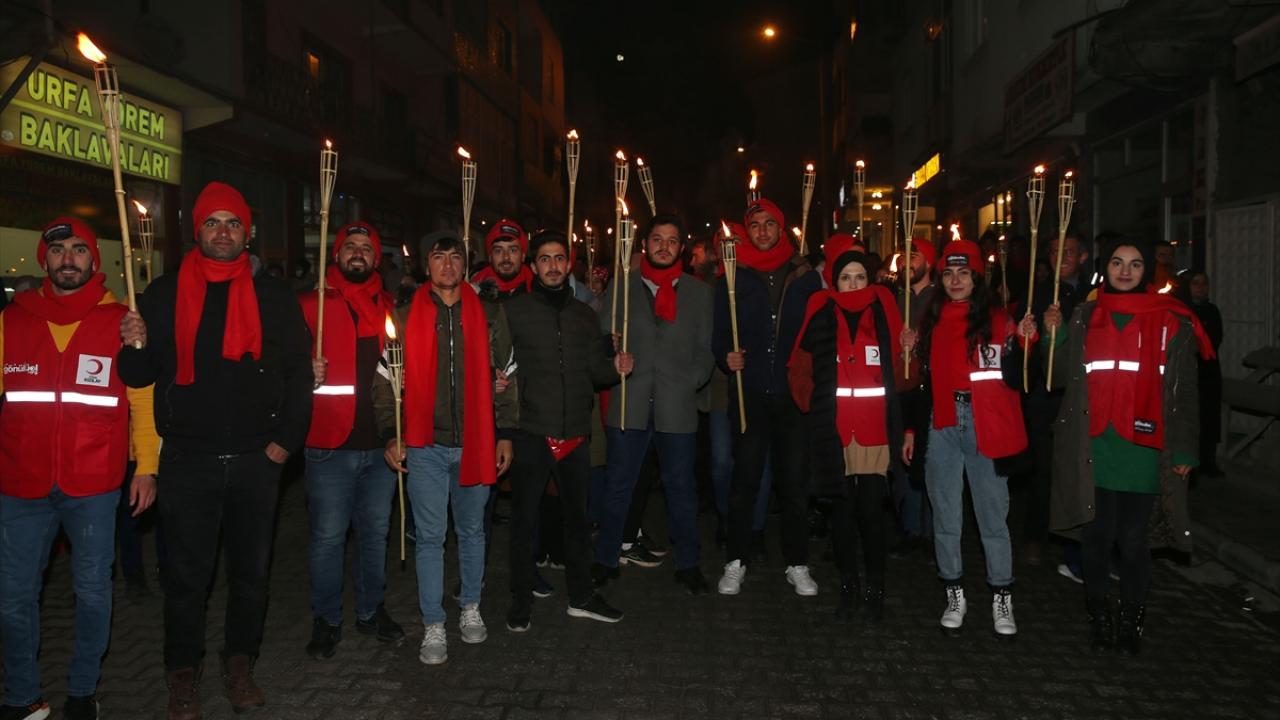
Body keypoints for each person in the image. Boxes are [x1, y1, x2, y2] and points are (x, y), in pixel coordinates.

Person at [118, 182, 313, 719]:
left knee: (251, 575)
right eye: (212, 222)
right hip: (188, 463)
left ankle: (239, 665)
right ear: (197, 231)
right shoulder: (162, 294)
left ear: (246, 232)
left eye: (232, 223)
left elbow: (299, 372)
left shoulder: (273, 296)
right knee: (186, 579)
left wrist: (285, 443)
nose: (222, 232)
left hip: (257, 462)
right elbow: (138, 374)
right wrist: (132, 341)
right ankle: (183, 676)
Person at [0, 217, 159, 720]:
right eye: (58, 251)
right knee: (12, 596)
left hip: (92, 483)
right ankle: (22, 695)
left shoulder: (122, 321)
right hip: (19, 483)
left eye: (79, 251)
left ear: (95, 260)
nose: (68, 259)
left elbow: (142, 401)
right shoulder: (11, 320)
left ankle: (84, 689)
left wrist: (147, 467)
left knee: (92, 591)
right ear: (43, 260)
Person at [1044, 237, 1212, 655]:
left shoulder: (1173, 319)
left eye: (1135, 264)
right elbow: (1060, 376)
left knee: (1134, 541)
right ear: (1106, 268)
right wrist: (1054, 335)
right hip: (1095, 446)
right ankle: (1099, 616)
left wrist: (1186, 450)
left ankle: (1131, 620)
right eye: (1117, 263)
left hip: (1144, 446)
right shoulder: (1085, 314)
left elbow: (1187, 390)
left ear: (1146, 272)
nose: (1125, 271)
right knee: (1097, 538)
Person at [377, 235, 517, 664]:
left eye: (455, 257)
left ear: (465, 265)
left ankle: (470, 607)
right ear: (426, 265)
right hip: (425, 445)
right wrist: (390, 432)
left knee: (473, 531)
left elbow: (509, 374)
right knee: (431, 538)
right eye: (438, 257)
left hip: (476, 441)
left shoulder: (490, 312)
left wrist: (505, 431)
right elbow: (384, 382)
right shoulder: (402, 314)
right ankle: (433, 623)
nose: (447, 265)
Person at [502, 230, 633, 631]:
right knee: (525, 521)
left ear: (569, 263)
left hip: (575, 431)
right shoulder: (516, 310)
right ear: (533, 265)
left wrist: (616, 367)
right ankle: (521, 599)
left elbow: (595, 372)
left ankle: (581, 595)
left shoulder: (585, 315)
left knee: (576, 521)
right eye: (545, 259)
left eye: (559, 258)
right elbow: (502, 367)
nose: (553, 266)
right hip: (531, 430)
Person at [901, 238, 1031, 638]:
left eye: (963, 273)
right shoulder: (931, 320)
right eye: (949, 273)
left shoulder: (997, 319)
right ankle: (954, 591)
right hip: (941, 424)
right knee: (946, 516)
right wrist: (909, 348)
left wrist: (1027, 336)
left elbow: (1022, 368)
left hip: (984, 424)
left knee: (993, 517)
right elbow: (918, 383)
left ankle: (1001, 595)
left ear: (977, 277)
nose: (955, 280)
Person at [594, 214, 715, 594]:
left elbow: (706, 348)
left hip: (676, 404)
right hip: (630, 400)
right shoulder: (623, 286)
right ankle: (605, 557)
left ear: (682, 247)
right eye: (657, 239)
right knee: (618, 485)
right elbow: (602, 339)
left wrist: (691, 381)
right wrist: (612, 355)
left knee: (681, 487)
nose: (664, 246)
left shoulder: (698, 292)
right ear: (644, 244)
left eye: (672, 240)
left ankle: (688, 563)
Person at [299, 222, 403, 661]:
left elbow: (399, 372)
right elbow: (279, 366)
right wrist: (304, 369)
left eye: (366, 248)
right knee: (327, 537)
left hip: (380, 446)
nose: (358, 254)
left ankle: (369, 609)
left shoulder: (389, 307)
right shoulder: (310, 305)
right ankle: (326, 618)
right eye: (350, 248)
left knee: (375, 534)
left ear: (376, 259)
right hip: (328, 443)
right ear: (336, 254)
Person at [789, 238, 904, 625]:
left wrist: (908, 351)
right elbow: (799, 367)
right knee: (841, 515)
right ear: (834, 283)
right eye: (845, 278)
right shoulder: (821, 313)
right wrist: (811, 404)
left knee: (871, 513)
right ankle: (848, 587)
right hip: (834, 432)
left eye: (859, 277)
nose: (853, 284)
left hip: (874, 433)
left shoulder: (884, 313)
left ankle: (875, 591)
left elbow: (904, 374)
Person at [713, 198, 822, 596]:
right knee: (745, 480)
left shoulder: (805, 275)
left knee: (793, 483)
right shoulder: (732, 275)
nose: (762, 231)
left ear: (782, 229)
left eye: (769, 224)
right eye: (755, 225)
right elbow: (720, 334)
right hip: (751, 394)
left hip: (793, 396)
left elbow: (818, 330)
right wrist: (727, 356)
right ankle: (736, 559)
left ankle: (797, 562)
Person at [1021, 234, 1092, 570]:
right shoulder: (1037, 293)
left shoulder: (1092, 296)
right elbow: (1025, 348)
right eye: (1053, 250)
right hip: (1043, 395)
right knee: (1043, 468)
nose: (1060, 256)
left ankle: (1075, 543)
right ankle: (1035, 536)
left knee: (1076, 470)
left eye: (1068, 251)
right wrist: (1030, 335)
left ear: (1082, 257)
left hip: (1078, 394)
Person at [890, 238, 936, 560]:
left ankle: (934, 533)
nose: (907, 261)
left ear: (928, 263)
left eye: (914, 255)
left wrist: (920, 345)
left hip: (929, 391)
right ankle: (910, 529)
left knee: (930, 460)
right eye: (904, 256)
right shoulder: (893, 298)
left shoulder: (940, 299)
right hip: (899, 389)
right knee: (903, 461)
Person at [1179, 269, 1224, 477]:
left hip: (1208, 373)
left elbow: (1213, 340)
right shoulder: (1181, 311)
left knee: (1209, 418)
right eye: (1195, 283)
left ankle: (1209, 461)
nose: (1200, 287)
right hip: (1188, 371)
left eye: (1204, 283)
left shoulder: (1212, 311)